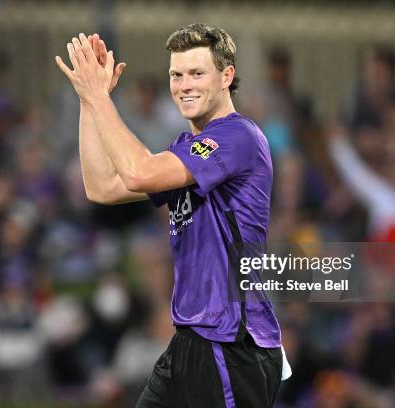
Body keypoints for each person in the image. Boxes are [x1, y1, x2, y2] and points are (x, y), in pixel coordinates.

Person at [55, 23, 291, 407]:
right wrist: (87, 99)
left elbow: (137, 172)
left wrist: (101, 98)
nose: (184, 85)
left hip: (231, 343)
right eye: (176, 75)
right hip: (190, 341)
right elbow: (102, 186)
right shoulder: (188, 148)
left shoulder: (237, 137)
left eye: (197, 73)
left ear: (226, 76)